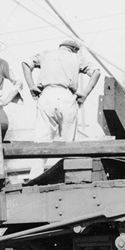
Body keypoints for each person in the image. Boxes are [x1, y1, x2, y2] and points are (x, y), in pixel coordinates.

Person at [22, 38, 101, 177]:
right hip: (66, 96)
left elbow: (25, 64)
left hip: (47, 95)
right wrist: (85, 94)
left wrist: (31, 86)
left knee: (41, 141)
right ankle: (70, 176)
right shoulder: (76, 57)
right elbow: (96, 72)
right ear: (74, 49)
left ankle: (34, 176)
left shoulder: (46, 54)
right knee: (68, 143)